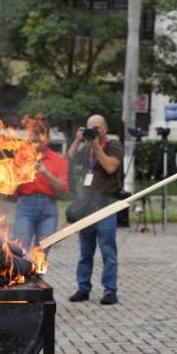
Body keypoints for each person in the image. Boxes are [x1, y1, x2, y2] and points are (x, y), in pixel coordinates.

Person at [66, 115, 122, 305]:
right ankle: (83, 288)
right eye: (90, 127)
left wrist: (97, 146)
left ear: (105, 129)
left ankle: (110, 290)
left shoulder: (113, 145)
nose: (93, 131)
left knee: (108, 251)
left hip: (106, 204)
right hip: (87, 206)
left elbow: (110, 167)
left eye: (97, 128)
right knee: (85, 251)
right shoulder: (86, 148)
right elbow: (71, 158)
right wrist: (77, 140)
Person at [11, 120, 69, 252]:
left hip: (49, 209)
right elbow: (12, 188)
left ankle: (37, 274)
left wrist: (46, 173)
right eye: (33, 137)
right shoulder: (21, 157)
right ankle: (21, 273)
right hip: (26, 207)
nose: (36, 140)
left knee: (42, 253)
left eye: (39, 136)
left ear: (47, 138)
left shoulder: (58, 159)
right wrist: (24, 173)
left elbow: (63, 189)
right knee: (20, 250)